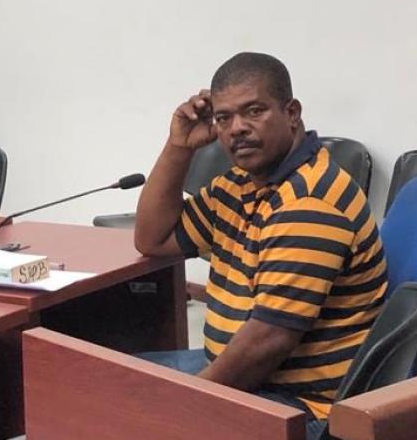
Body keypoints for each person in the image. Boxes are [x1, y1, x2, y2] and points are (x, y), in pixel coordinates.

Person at [134, 52, 387, 437]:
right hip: (244, 376)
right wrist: (178, 146)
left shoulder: (310, 202)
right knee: (107, 381)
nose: (237, 128)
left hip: (300, 405)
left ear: (292, 113)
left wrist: (187, 403)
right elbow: (153, 239)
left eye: (254, 111)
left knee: (137, 417)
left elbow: (268, 341)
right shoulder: (238, 185)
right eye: (224, 118)